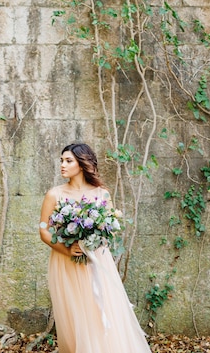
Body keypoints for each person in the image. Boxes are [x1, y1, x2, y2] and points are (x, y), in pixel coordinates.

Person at [39, 143, 151, 353]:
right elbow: (44, 231)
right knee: (74, 315)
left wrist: (93, 241)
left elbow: (110, 229)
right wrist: (67, 248)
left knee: (102, 311)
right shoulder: (54, 195)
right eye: (61, 160)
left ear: (81, 164)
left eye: (68, 161)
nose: (62, 165)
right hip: (65, 262)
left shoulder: (102, 194)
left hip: (97, 262)